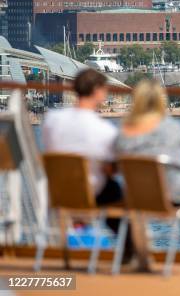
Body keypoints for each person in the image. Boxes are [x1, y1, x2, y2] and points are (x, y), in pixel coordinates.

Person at [42, 68, 135, 263]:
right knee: (116, 192)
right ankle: (130, 253)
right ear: (98, 91)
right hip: (90, 193)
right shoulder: (103, 130)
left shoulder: (51, 120)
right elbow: (113, 168)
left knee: (111, 189)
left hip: (58, 192)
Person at [114, 79, 180, 273]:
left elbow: (117, 164)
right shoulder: (171, 126)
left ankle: (141, 256)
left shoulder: (124, 132)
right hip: (177, 194)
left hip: (140, 197)